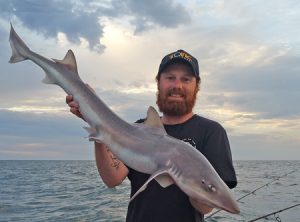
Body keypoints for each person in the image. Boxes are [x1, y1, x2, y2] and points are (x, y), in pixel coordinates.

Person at [66, 49, 237, 222]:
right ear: (158, 82)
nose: (177, 85)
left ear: (196, 86)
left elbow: (206, 208)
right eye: (170, 77)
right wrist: (95, 121)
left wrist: (184, 175)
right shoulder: (139, 128)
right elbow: (112, 179)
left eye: (186, 79)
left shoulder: (211, 131)